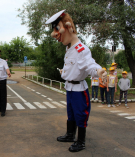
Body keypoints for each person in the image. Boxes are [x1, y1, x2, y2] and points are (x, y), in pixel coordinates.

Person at [45, 10, 105, 152]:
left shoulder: (81, 49)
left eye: (57, 29)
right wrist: (64, 73)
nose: (56, 35)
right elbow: (73, 67)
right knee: (71, 113)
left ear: (68, 27)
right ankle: (70, 135)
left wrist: (98, 71)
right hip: (70, 88)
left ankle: (81, 142)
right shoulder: (69, 48)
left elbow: (89, 64)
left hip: (79, 90)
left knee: (80, 115)